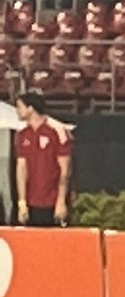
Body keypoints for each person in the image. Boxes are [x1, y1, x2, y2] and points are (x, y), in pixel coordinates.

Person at [15, 92, 72, 227]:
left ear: (30, 108)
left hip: (52, 201)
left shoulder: (57, 130)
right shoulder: (23, 134)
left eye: (19, 107)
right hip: (31, 202)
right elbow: (22, 168)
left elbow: (65, 170)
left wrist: (61, 201)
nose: (17, 111)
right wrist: (22, 202)